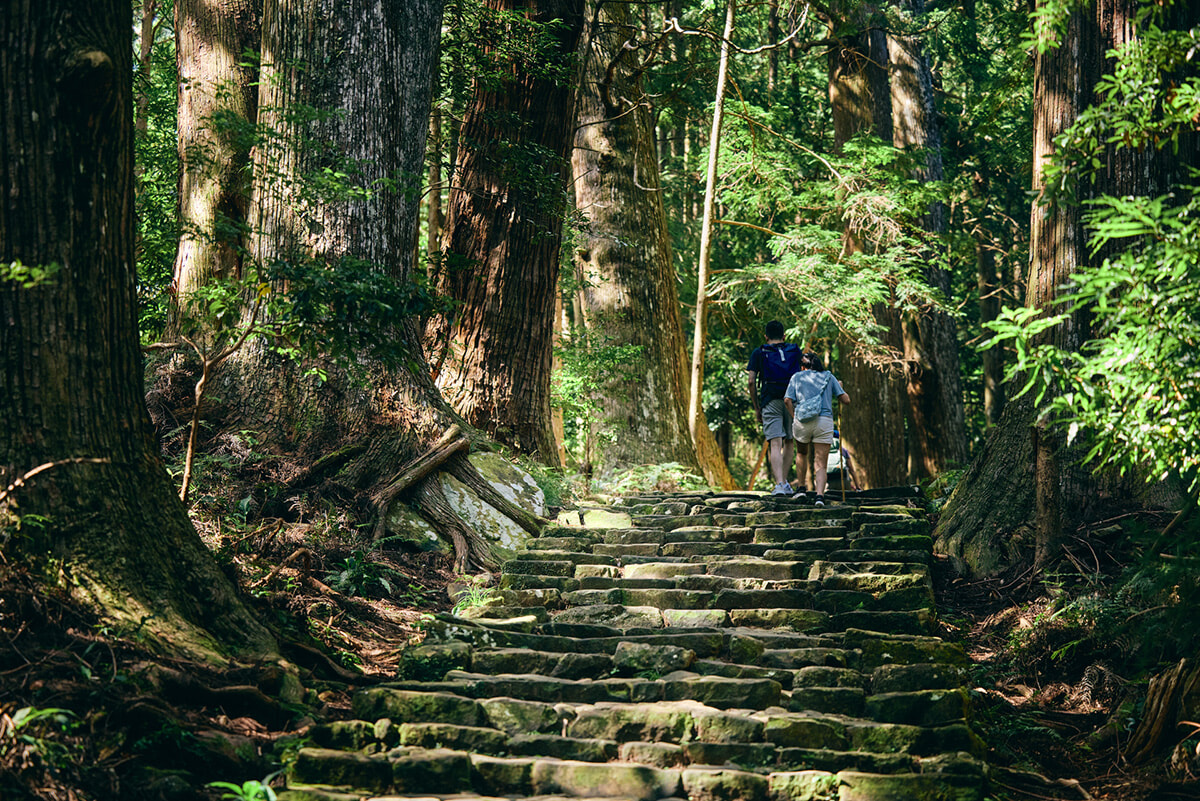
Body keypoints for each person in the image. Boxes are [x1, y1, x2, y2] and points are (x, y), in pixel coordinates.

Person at [784, 352, 850, 506]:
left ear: (802, 366)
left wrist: (794, 417)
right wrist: (840, 388)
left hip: (802, 421)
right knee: (821, 461)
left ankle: (801, 489)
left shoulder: (797, 377)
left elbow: (787, 400)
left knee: (801, 453)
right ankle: (819, 496)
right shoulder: (828, 376)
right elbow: (846, 400)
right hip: (824, 421)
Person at [746, 321, 802, 495]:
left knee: (775, 442)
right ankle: (785, 482)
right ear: (784, 336)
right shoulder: (794, 350)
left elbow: (751, 381)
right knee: (790, 441)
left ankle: (779, 485)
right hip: (792, 399)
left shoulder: (759, 352)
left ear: (766, 336)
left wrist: (757, 407)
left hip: (770, 399)